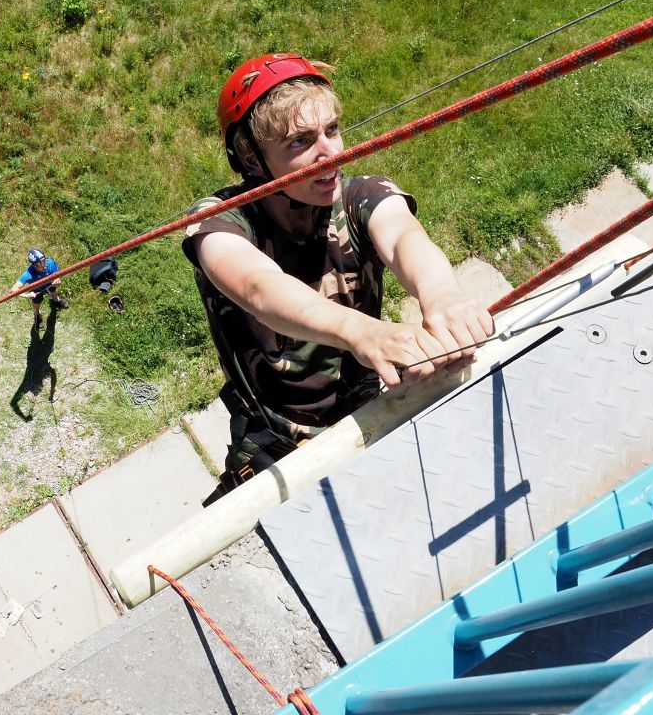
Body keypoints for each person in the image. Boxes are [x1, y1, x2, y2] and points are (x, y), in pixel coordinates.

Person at [183, 54, 495, 493]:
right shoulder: (218, 222)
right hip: (275, 431)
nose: (331, 153)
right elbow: (258, 288)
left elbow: (404, 236)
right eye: (300, 142)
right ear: (252, 159)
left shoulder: (361, 195)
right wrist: (361, 332)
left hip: (368, 401)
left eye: (331, 129)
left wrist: (441, 294)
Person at [16, 248, 68, 330]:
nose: (44, 265)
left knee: (53, 291)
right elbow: (13, 290)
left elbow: (59, 274)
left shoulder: (50, 263)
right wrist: (27, 295)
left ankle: (56, 301)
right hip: (37, 290)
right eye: (40, 264)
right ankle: (37, 314)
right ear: (34, 265)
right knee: (37, 302)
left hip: (50, 284)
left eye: (44, 261)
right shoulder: (28, 274)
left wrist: (58, 280)